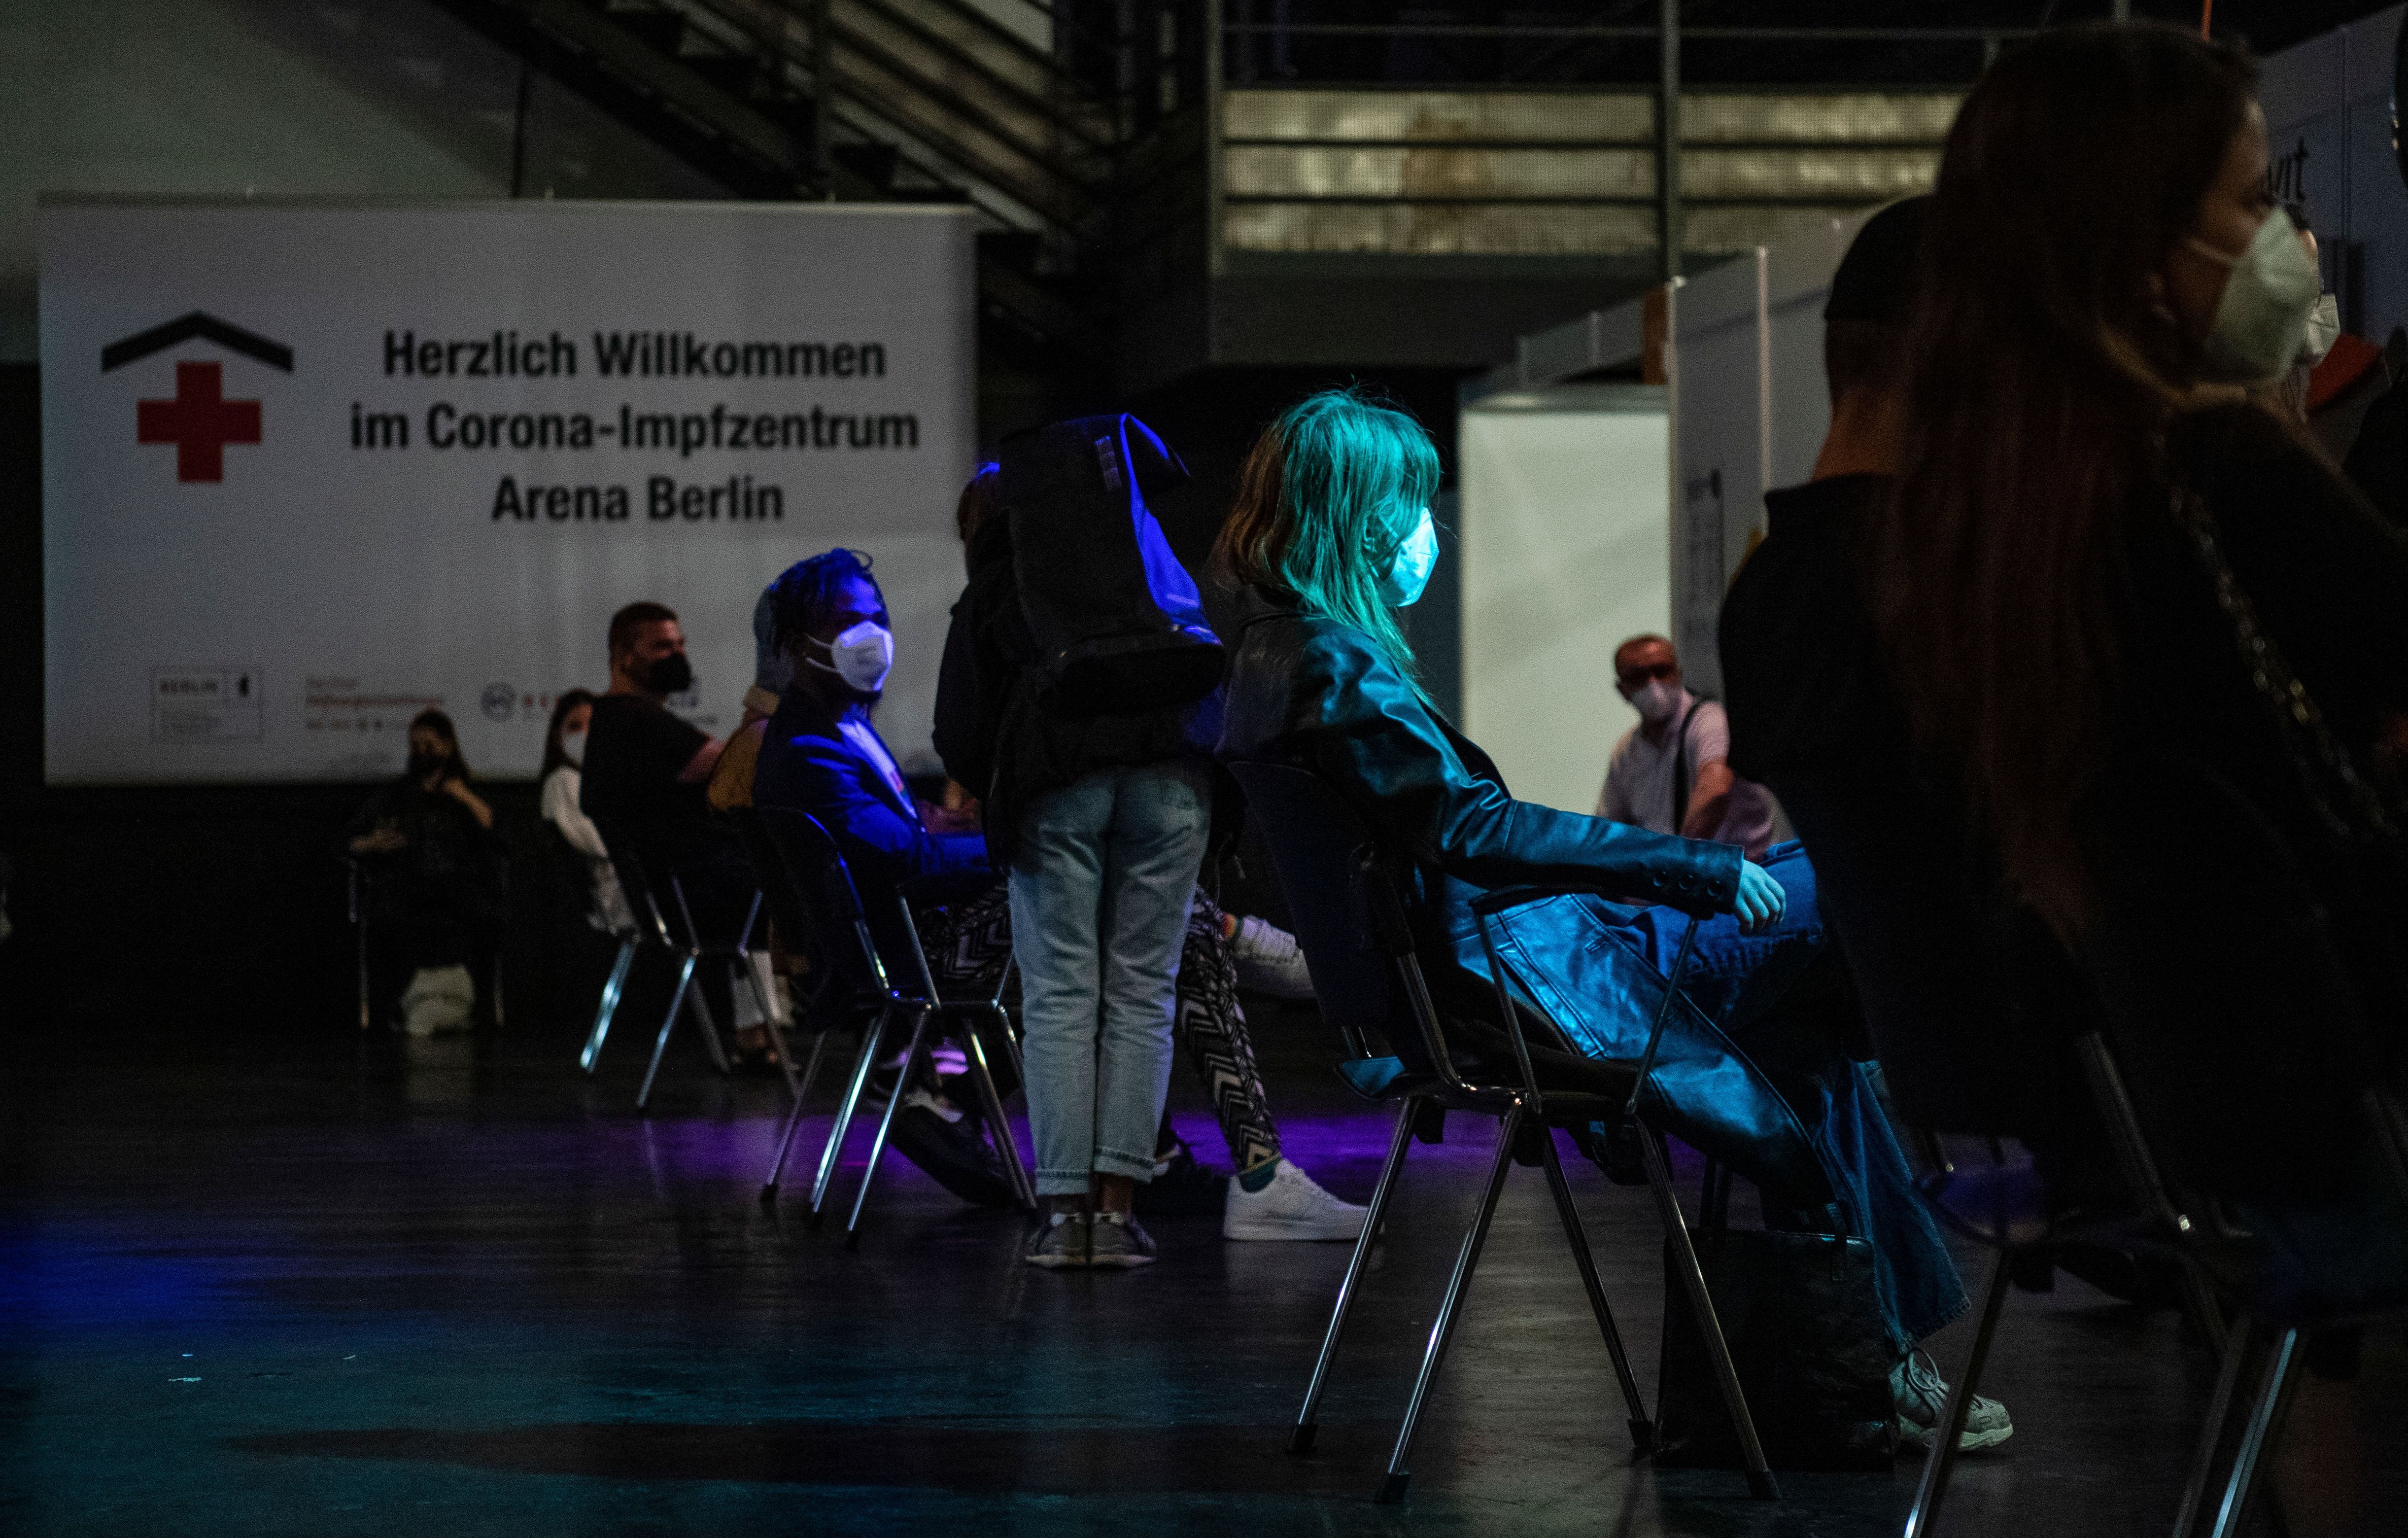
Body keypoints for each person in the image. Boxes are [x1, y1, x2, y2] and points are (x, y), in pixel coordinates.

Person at [1214, 385, 1986, 1440]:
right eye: (1417, 506)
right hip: (1531, 987)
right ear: (1359, 514)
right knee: (1850, 889)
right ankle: (1951, 1189)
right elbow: (1480, 832)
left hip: (1511, 970)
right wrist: (1689, 870)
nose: (1429, 531)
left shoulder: (1274, 660)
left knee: (1806, 1045)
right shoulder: (1335, 671)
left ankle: (1879, 1350)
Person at [1866, 25, 2408, 1525]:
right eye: (2244, 206)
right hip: (2331, 1088)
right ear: (2128, 245)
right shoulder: (2214, 473)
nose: (2280, 242)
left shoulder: (1971, 528)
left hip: (2201, 1111)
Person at [762, 544, 1363, 1247]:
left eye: (874, 616)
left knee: (1156, 923)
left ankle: (1218, 1120)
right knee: (1165, 920)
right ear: (794, 643)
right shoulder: (808, 751)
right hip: (912, 962)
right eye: (842, 622)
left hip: (920, 942)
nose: (867, 636)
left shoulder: (841, 731)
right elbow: (905, 859)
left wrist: (969, 827)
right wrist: (1017, 837)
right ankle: (1293, 1027)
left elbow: (900, 840)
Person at [937, 417, 1348, 1270]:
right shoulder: (1148, 560)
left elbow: (960, 729)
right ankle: (1120, 1215)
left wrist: (1000, 775)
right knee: (1141, 994)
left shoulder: (1000, 582)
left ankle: (1063, 1216)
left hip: (1056, 788)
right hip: (1175, 788)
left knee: (1059, 998)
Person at [580, 600, 785, 1072]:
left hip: (681, 899)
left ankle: (758, 1035)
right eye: (661, 647)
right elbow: (736, 764)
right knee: (834, 895)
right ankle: (892, 1050)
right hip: (696, 902)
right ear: (623, 658)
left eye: (680, 644)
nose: (676, 654)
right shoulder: (636, 723)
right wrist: (769, 702)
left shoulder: (618, 722)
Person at [344, 709, 508, 1037]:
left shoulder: (466, 792)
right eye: (415, 746)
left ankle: (483, 1011)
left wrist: (462, 796)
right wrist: (373, 843)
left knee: (485, 917)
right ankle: (388, 1013)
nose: (422, 753)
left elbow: (497, 833)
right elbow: (348, 840)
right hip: (406, 886)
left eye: (430, 746)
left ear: (448, 746)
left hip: (458, 888)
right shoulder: (395, 796)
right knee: (385, 917)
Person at [1597, 634, 1775, 857]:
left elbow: (1715, 792)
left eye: (1662, 671)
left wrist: (1677, 864)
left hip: (1740, 871)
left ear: (1678, 673)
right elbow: (1606, 828)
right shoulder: (1626, 753)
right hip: (1673, 880)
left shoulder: (1710, 721)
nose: (1653, 684)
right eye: (1639, 677)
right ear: (1623, 690)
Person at [538, 689, 634, 937]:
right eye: (574, 727)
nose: (585, 734)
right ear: (558, 735)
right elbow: (600, 843)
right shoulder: (564, 780)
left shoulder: (601, 780)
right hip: (608, 907)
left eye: (593, 725)